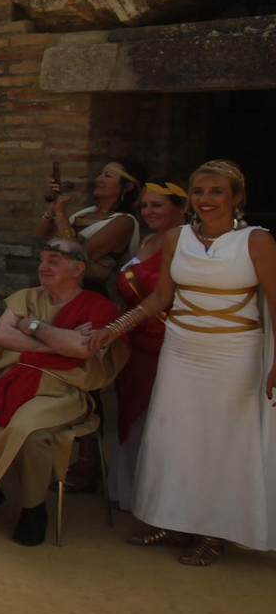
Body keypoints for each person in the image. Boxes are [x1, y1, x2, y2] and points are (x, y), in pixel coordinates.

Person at [96, 161, 276, 567]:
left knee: (221, 443)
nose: (205, 200)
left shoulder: (257, 241)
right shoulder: (177, 238)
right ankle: (174, 521)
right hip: (180, 349)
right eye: (199, 191)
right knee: (174, 435)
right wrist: (115, 328)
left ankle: (213, 533)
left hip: (234, 352)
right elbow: (160, 298)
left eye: (216, 192)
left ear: (237, 198)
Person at [0, 238, 128, 547]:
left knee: (28, 432)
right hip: (8, 378)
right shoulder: (27, 296)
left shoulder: (99, 307)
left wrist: (31, 325)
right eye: (42, 260)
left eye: (53, 260)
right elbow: (3, 336)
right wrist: (57, 343)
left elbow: (83, 349)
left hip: (63, 390)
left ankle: (33, 510)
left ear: (78, 268)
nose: (43, 267)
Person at [107, 181, 188, 510]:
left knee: (159, 419)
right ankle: (130, 492)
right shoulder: (149, 239)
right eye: (145, 206)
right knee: (130, 412)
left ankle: (159, 499)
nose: (149, 212)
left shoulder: (190, 243)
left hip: (166, 345)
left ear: (181, 208)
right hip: (132, 343)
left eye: (158, 205)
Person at [36, 158, 144, 289]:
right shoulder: (84, 214)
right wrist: (54, 207)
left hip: (86, 292)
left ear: (127, 187)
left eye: (107, 176)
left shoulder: (124, 222)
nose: (98, 179)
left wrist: (61, 215)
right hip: (57, 286)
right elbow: (40, 238)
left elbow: (76, 255)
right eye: (100, 173)